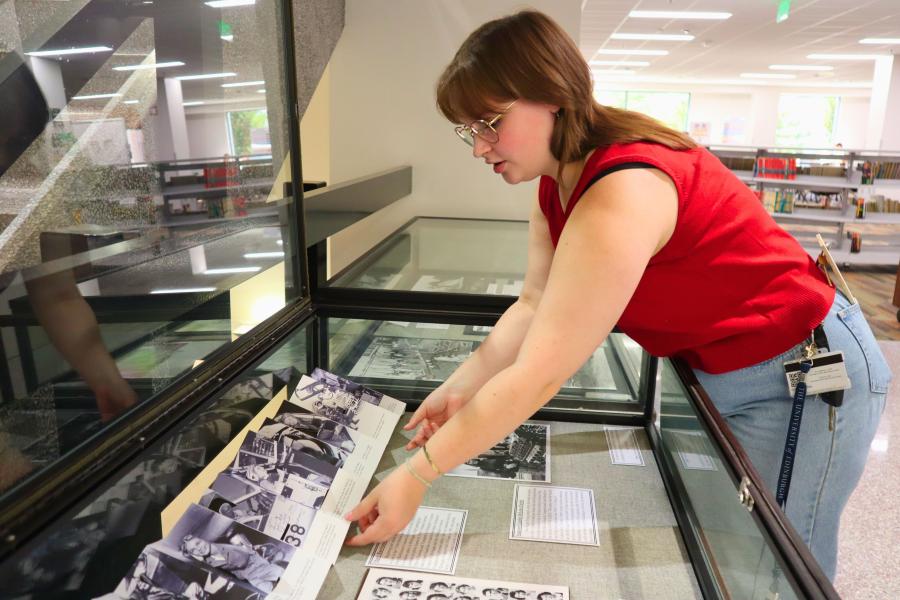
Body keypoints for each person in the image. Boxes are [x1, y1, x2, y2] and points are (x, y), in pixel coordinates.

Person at [344, 9, 892, 582]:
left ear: (550, 95)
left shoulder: (622, 187)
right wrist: (461, 385)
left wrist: (418, 475)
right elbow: (533, 306)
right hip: (730, 362)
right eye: (468, 131)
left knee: (774, 565)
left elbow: (540, 373)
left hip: (800, 369)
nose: (479, 147)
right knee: (734, 544)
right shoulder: (558, 184)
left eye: (489, 122)